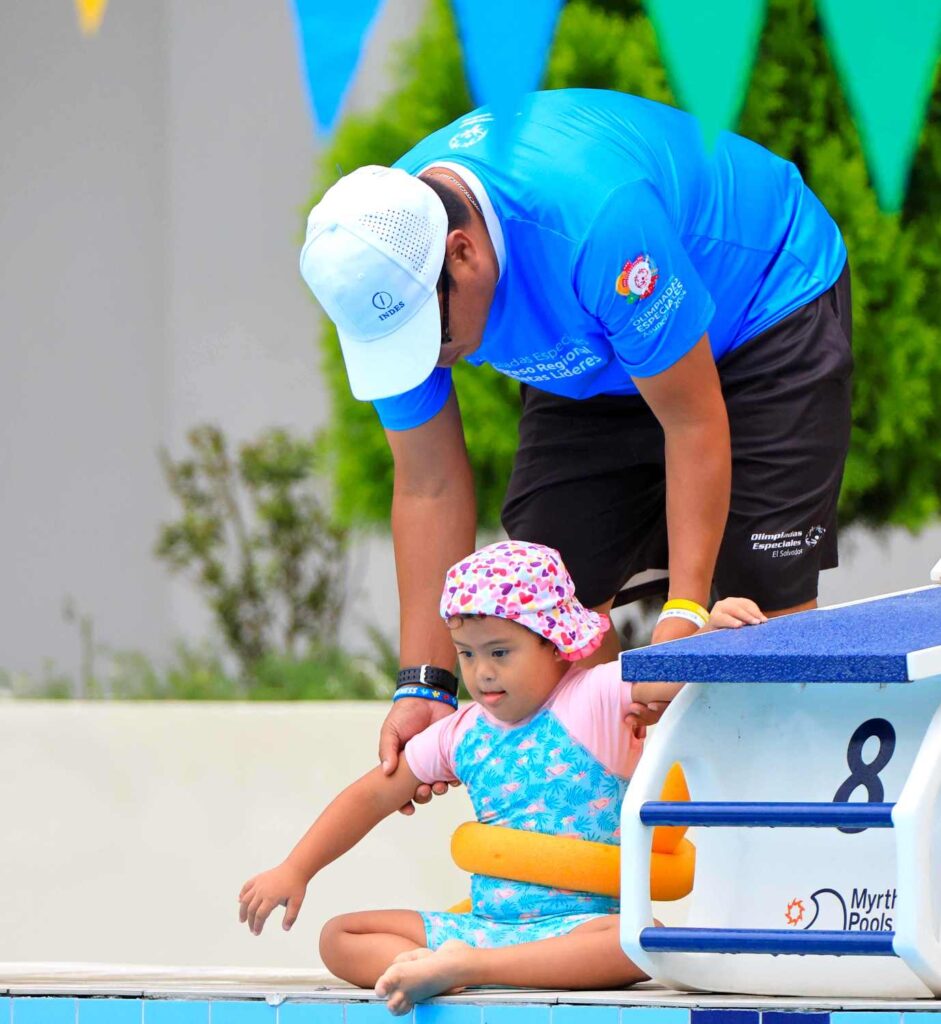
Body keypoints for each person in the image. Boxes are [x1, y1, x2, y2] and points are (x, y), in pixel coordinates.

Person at [299, 89, 852, 808]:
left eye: (430, 337)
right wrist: (425, 685)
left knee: (758, 616)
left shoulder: (592, 218)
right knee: (541, 615)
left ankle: (784, 832)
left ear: (462, 253)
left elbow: (691, 422)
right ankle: (631, 822)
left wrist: (685, 612)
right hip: (594, 342)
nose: (427, 361)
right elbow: (427, 484)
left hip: (761, 305)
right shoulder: (380, 265)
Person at [238, 541, 767, 1013]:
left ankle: (465, 971)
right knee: (339, 936)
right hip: (484, 925)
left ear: (554, 642)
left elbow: (676, 679)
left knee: (637, 942)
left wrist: (713, 635)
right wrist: (295, 868)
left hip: (575, 929)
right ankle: (442, 966)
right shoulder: (461, 732)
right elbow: (372, 794)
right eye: (466, 655)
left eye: (499, 652)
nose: (481, 672)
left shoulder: (599, 695)